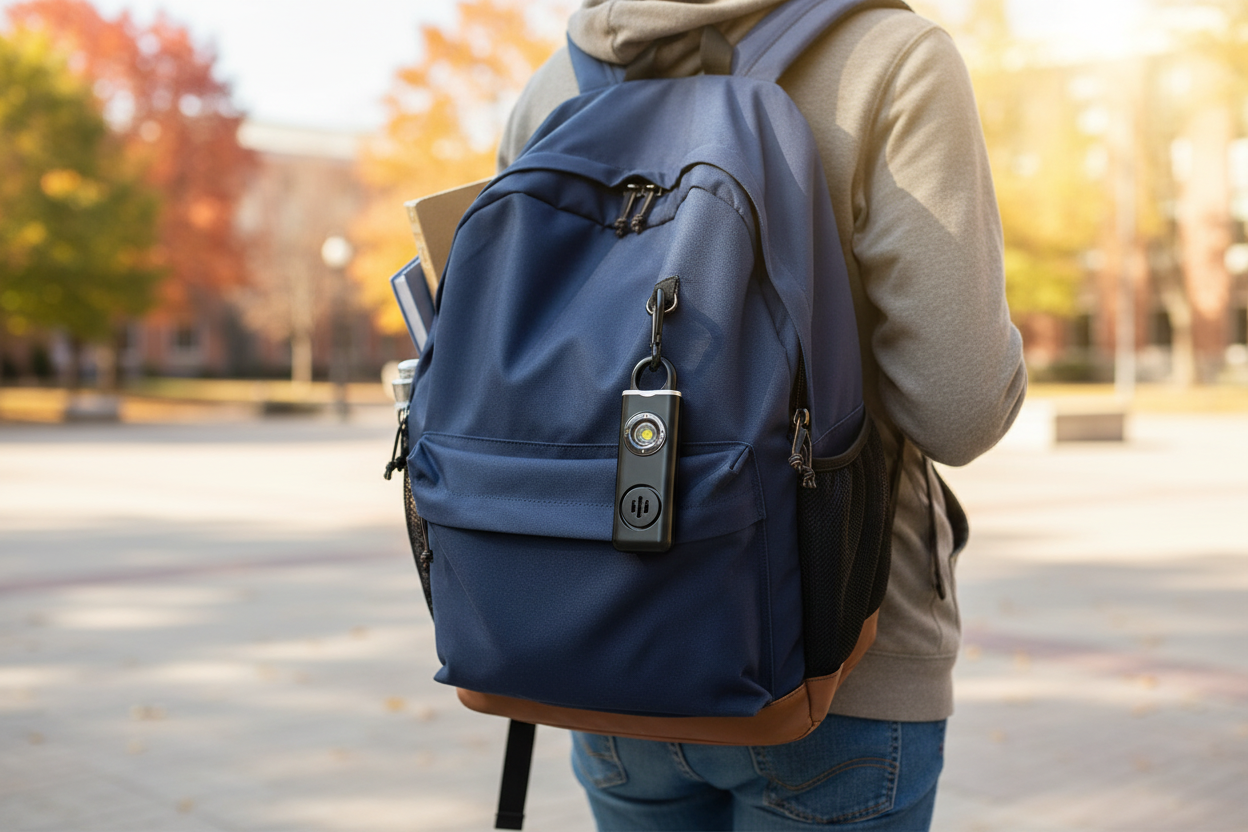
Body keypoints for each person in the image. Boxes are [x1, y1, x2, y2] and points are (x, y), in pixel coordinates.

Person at [496, 1, 1027, 828]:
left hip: (598, 651)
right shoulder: (890, 57)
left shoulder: (556, 84)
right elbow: (959, 412)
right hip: (840, 668)